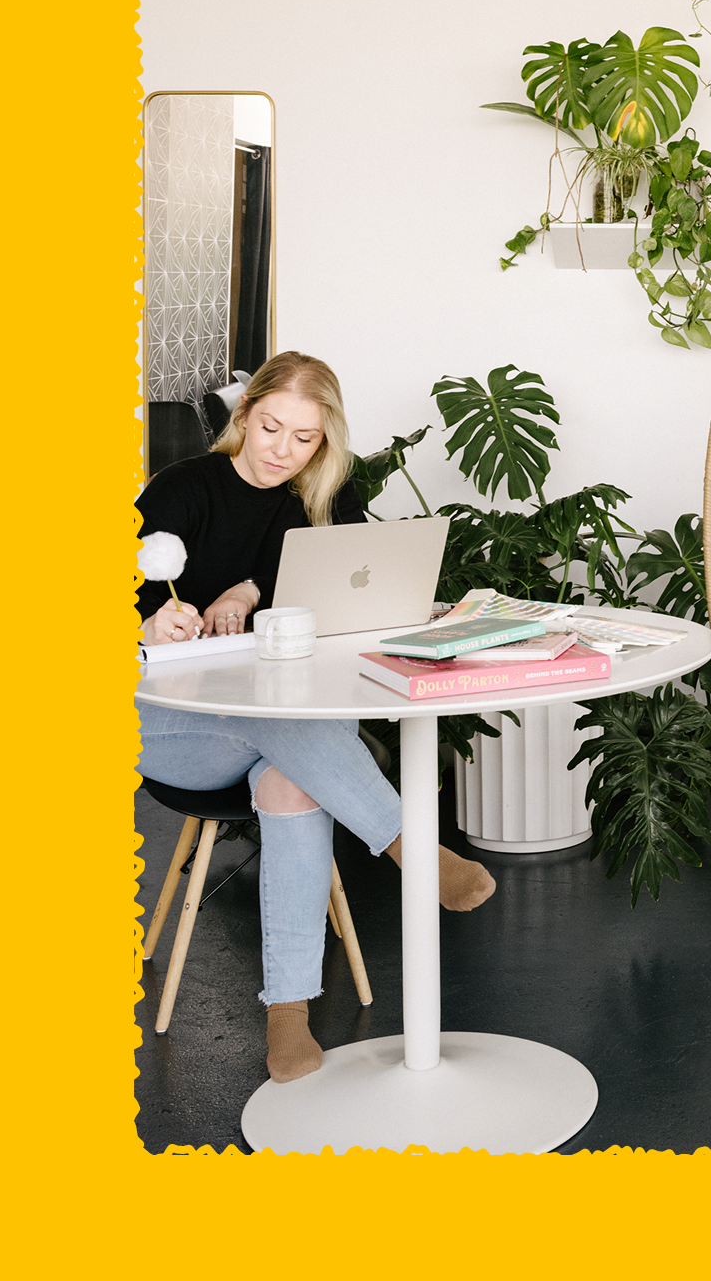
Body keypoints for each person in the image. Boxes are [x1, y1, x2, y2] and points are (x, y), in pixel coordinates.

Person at [136, 349, 494, 1085]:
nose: (282, 450)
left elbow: (345, 605)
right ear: (243, 415)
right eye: (271, 427)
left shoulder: (326, 496)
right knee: (275, 720)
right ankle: (410, 846)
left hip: (284, 729)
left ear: (325, 438)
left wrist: (249, 589)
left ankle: (288, 1013)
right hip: (170, 727)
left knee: (291, 780)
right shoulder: (181, 489)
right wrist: (146, 624)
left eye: (305, 438)